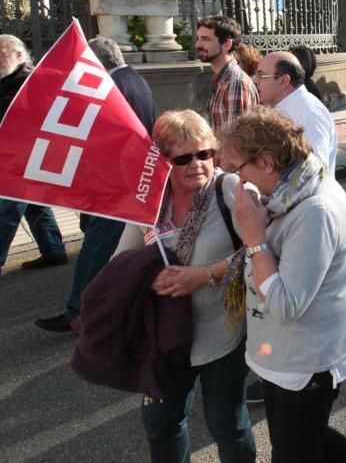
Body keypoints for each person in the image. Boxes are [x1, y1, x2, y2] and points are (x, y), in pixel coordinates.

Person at [219, 108, 346, 463]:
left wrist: (254, 235)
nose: (238, 180)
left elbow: (287, 305)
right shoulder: (293, 189)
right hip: (288, 359)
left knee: (294, 449)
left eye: (239, 168)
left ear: (268, 162)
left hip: (306, 364)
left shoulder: (314, 211)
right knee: (307, 436)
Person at [111, 110, 256, 463]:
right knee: (161, 423)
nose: (197, 164)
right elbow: (119, 263)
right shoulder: (149, 201)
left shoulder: (230, 189)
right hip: (165, 340)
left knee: (227, 424)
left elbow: (260, 254)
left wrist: (205, 275)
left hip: (224, 334)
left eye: (205, 153)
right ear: (162, 161)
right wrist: (147, 276)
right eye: (183, 158)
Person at [36, 37, 157, 333]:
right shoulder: (135, 79)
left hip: (115, 184)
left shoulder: (113, 86)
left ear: (98, 62)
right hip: (130, 180)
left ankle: (77, 312)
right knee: (113, 249)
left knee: (95, 249)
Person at [0, 35, 68, 274]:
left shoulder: (31, 79)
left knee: (6, 208)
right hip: (16, 155)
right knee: (34, 205)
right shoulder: (8, 79)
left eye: (3, 53)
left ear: (19, 55)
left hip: (27, 155)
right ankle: (53, 251)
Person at [255, 51, 338, 174]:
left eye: (261, 75)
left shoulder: (310, 113)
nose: (255, 81)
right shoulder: (282, 107)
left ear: (284, 81)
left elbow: (315, 172)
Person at [196, 16, 259, 134]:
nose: (198, 45)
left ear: (227, 44)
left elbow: (235, 141)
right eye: (198, 39)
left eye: (205, 39)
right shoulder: (221, 79)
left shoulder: (235, 83)